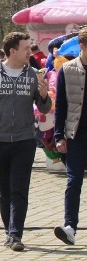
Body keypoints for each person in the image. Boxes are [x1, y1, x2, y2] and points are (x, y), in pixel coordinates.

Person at [0, 31, 51, 250]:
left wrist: (44, 96)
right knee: (3, 191)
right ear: (12, 51)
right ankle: (9, 231)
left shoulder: (33, 74)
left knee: (19, 189)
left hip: (25, 140)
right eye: (26, 48)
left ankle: (16, 235)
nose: (30, 51)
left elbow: (44, 108)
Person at [53, 27, 87, 246]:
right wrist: (59, 136)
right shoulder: (67, 69)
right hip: (76, 135)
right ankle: (70, 227)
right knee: (73, 182)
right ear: (82, 46)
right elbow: (61, 106)